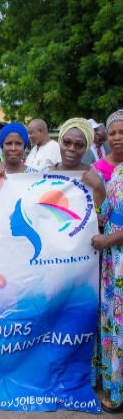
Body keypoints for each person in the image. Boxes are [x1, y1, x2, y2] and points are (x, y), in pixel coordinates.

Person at [89, 161, 123, 413]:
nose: (117, 137)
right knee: (111, 318)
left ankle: (119, 393)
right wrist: (98, 188)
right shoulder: (119, 172)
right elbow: (105, 214)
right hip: (112, 260)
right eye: (113, 132)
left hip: (116, 250)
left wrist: (109, 239)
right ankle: (111, 381)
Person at [93, 110, 123, 183]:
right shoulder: (96, 170)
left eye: (122, 132)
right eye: (112, 134)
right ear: (107, 137)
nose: (117, 138)